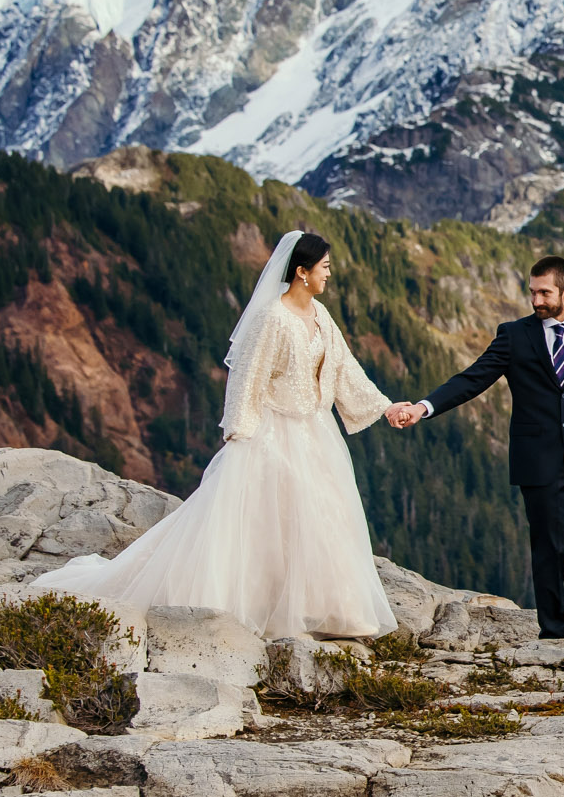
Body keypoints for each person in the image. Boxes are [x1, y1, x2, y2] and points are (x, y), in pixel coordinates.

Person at [32, 230, 401, 640]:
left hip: (317, 431)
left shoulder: (320, 316)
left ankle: (330, 609)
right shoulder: (272, 319)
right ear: (301, 272)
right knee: (270, 519)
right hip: (274, 432)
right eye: (325, 267)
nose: (329, 275)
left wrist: (386, 407)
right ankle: (268, 608)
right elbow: (246, 377)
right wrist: (241, 432)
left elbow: (345, 369)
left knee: (322, 516)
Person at [387, 255, 564, 646]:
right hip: (539, 462)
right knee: (549, 553)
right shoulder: (515, 335)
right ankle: (555, 635)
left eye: (544, 292)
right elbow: (473, 378)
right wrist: (423, 407)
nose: (535, 300)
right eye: (532, 291)